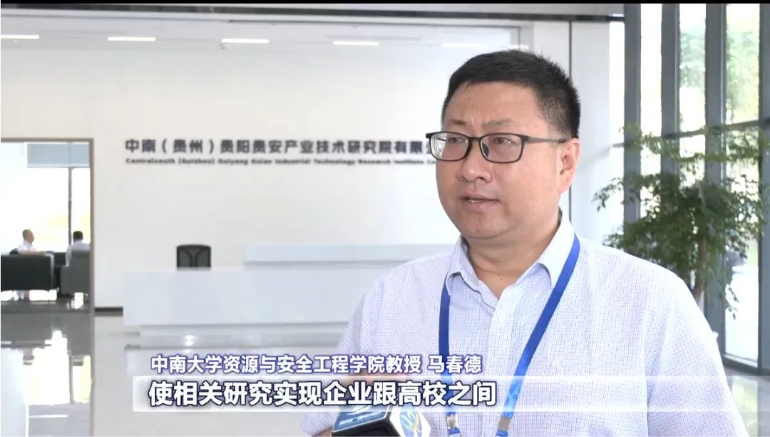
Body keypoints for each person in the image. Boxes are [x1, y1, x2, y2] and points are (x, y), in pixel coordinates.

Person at [301, 50, 747, 436]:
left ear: (565, 162)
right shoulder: (392, 299)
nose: (470, 168)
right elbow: (324, 426)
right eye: (455, 140)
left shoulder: (650, 302)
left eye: (501, 142)